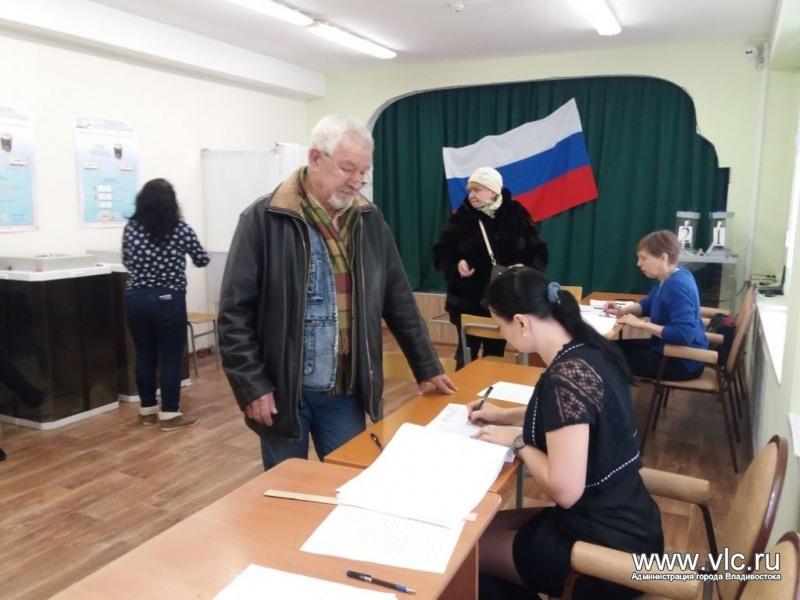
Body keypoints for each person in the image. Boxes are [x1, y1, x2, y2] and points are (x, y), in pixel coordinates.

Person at [218, 114, 456, 470]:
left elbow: (399, 300)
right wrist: (252, 385)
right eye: (347, 169)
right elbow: (234, 314)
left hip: (345, 390)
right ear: (315, 158)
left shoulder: (369, 220)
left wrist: (426, 366)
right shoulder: (263, 220)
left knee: (350, 481)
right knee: (286, 489)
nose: (357, 181)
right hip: (283, 391)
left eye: (363, 172)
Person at [468, 267, 663, 599]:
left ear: (521, 323)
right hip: (631, 521)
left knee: (465, 553)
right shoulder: (589, 351)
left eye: (500, 326)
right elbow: (575, 420)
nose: (503, 336)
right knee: (473, 531)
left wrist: (518, 441)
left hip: (605, 551)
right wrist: (503, 415)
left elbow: (565, 490)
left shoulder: (564, 379)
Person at [433, 167, 548, 368]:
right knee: (465, 357)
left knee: (495, 357)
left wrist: (525, 267)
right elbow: (441, 251)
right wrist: (456, 264)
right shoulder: (462, 216)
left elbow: (540, 252)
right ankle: (463, 388)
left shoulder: (516, 213)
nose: (472, 195)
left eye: (477, 190)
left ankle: (489, 388)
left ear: (493, 191)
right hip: (466, 303)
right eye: (470, 190)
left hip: (504, 301)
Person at [122, 178, 209, 431]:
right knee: (170, 358)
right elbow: (201, 259)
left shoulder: (131, 229)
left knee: (144, 355)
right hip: (169, 300)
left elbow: (127, 261)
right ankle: (170, 414)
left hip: (136, 299)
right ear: (172, 203)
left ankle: (147, 410)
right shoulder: (180, 229)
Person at [605, 230, 707, 380]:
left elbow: (683, 335)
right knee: (609, 348)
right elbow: (648, 303)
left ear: (663, 258)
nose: (638, 264)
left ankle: (616, 394)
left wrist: (642, 325)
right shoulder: (671, 276)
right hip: (664, 347)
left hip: (681, 361)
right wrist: (623, 310)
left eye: (643, 258)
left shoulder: (677, 286)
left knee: (607, 358)